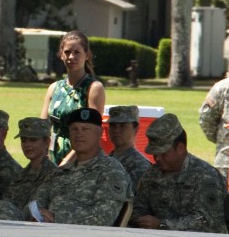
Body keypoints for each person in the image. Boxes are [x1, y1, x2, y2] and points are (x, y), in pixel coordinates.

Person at [32, 108, 131, 226]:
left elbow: (103, 217)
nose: (79, 134)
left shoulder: (110, 170)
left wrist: (56, 218)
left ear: (99, 133)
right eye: (74, 129)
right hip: (46, 235)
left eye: (85, 129)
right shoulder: (60, 172)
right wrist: (38, 216)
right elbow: (35, 205)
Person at [131, 113, 227, 233]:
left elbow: (204, 221)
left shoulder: (205, 175)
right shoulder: (152, 174)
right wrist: (141, 220)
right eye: (155, 154)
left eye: (163, 153)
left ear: (180, 148)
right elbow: (138, 208)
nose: (158, 158)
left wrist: (162, 224)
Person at [40, 30, 105, 166]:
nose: (71, 57)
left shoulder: (93, 88)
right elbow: (42, 128)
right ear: (61, 55)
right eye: (67, 52)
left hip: (81, 161)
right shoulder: (53, 88)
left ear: (87, 55)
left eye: (77, 52)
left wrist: (66, 163)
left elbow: (92, 133)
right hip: (52, 159)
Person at [0, 117, 59, 220]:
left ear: (47, 142)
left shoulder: (55, 175)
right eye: (24, 140)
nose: (27, 145)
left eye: (33, 140)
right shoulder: (19, 175)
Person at [198, 48, 229, 179]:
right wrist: (222, 140)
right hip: (228, 162)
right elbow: (206, 119)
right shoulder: (223, 88)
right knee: (227, 199)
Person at [107, 105, 150, 193]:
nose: (116, 130)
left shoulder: (140, 165)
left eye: (123, 126)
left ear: (136, 129)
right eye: (113, 125)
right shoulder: (107, 159)